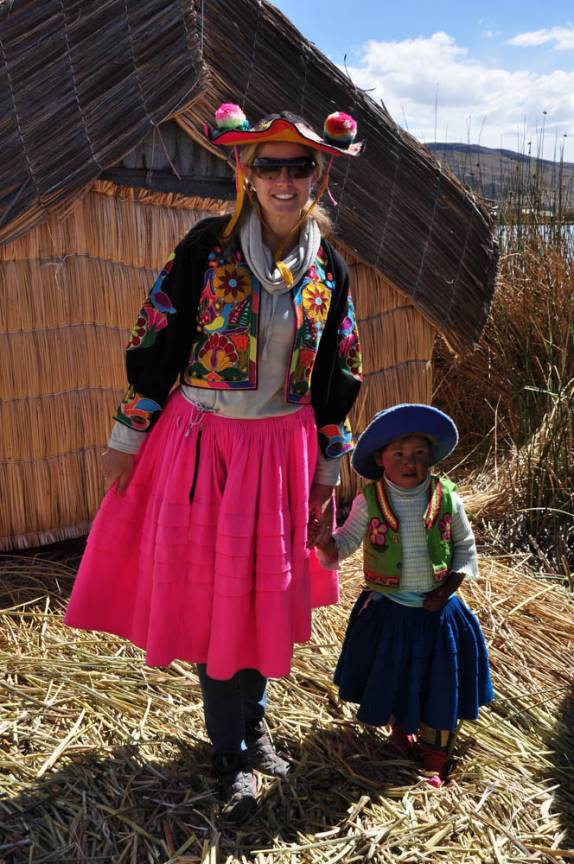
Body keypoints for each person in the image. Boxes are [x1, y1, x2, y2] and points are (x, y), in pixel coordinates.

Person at [64, 103, 363, 821]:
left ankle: (249, 729)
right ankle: (230, 748)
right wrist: (129, 434)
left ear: (318, 175)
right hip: (205, 450)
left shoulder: (328, 268)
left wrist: (329, 466)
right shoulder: (206, 248)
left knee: (260, 596)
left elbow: (336, 375)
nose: (284, 181)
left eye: (299, 167)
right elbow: (157, 338)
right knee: (215, 599)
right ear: (245, 172)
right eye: (269, 166)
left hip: (282, 456)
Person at [308, 403, 493, 787]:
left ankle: (435, 755)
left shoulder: (446, 497)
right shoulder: (369, 501)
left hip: (437, 611)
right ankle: (400, 729)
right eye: (400, 454)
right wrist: (324, 544)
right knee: (393, 676)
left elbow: (465, 547)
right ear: (380, 459)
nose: (411, 462)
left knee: (440, 683)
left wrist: (447, 591)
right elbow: (343, 546)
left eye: (420, 453)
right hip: (390, 610)